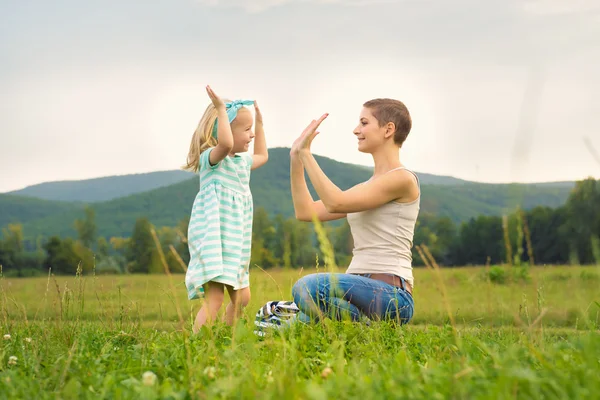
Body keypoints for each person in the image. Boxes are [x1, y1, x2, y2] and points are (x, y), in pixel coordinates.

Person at [290, 98, 419, 325]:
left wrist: (307, 154)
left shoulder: (402, 179)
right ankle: (362, 327)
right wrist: (296, 158)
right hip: (355, 293)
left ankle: (365, 330)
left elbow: (335, 203)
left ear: (389, 129)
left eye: (364, 122)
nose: (356, 130)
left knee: (306, 288)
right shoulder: (367, 188)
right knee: (292, 325)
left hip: (391, 296)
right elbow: (306, 212)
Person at [183, 86, 268, 333]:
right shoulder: (211, 160)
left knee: (242, 298)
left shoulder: (241, 162)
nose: (251, 135)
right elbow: (227, 143)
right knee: (215, 298)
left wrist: (260, 124)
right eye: (246, 129)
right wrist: (221, 109)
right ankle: (198, 344)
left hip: (235, 241)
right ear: (223, 130)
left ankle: (224, 337)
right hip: (214, 240)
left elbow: (262, 155)